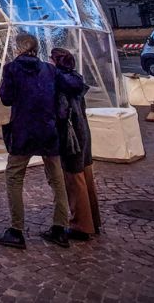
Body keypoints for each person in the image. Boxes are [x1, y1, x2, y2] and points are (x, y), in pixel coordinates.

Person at [0, 33, 81, 249]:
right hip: (48, 131)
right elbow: (73, 86)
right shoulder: (49, 70)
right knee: (56, 179)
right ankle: (60, 228)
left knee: (14, 177)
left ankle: (16, 231)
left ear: (18, 48)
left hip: (23, 132)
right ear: (36, 48)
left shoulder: (12, 69)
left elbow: (7, 98)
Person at [51, 47, 101, 241]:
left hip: (70, 137)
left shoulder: (61, 84)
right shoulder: (76, 79)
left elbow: (62, 112)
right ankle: (93, 220)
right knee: (86, 177)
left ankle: (81, 225)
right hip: (83, 133)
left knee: (74, 180)